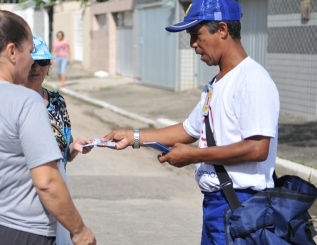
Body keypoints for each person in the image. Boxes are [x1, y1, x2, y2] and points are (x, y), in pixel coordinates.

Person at [102, 0, 280, 244]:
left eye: (196, 35)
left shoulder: (253, 81)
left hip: (242, 204)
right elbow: (188, 129)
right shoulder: (216, 84)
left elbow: (257, 148)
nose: (193, 45)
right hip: (217, 205)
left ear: (223, 30)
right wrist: (133, 137)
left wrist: (194, 156)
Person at [0, 11, 96, 245]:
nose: (34, 60)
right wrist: (79, 230)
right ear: (12, 51)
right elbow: (47, 182)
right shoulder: (26, 101)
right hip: (20, 233)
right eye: (31, 51)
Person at [24, 35, 93, 245]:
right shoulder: (15, 103)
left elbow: (65, 151)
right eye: (31, 62)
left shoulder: (57, 101)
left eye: (43, 62)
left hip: (58, 193)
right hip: (25, 197)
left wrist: (75, 146)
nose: (37, 68)